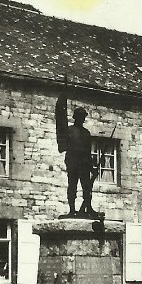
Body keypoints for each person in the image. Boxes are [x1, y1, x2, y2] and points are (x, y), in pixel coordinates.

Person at [56, 83, 99, 217]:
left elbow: (88, 151)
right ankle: (72, 210)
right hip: (73, 162)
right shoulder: (69, 130)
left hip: (84, 164)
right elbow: (64, 144)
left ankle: (88, 207)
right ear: (76, 117)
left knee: (87, 187)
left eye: (83, 117)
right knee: (72, 187)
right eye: (80, 117)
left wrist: (92, 167)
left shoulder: (86, 133)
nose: (82, 119)